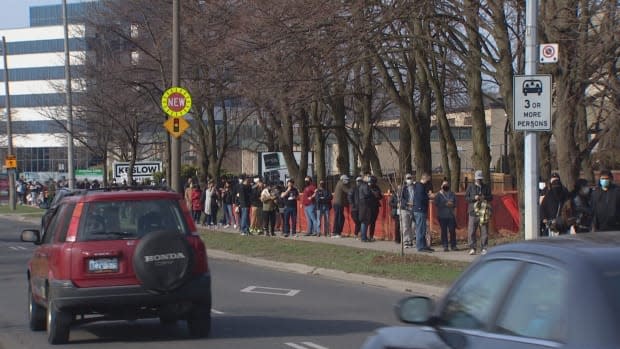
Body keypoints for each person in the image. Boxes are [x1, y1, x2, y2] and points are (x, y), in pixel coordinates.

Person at [465, 170, 493, 255]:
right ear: (475, 178)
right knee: (471, 231)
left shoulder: (486, 187)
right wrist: (474, 197)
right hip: (473, 212)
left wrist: (485, 197)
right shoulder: (470, 186)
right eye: (477, 179)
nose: (479, 180)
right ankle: (472, 248)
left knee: (484, 231)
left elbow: (491, 197)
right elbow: (466, 197)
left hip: (483, 212)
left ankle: (484, 248)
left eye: (480, 179)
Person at [413, 173, 434, 252]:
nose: (429, 181)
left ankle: (424, 245)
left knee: (423, 228)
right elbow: (421, 198)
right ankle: (420, 246)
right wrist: (429, 196)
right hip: (420, 210)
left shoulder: (421, 186)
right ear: (426, 178)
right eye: (428, 178)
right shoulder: (420, 186)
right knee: (420, 229)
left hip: (422, 210)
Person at [435, 180, 457, 251]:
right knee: (444, 231)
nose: (445, 186)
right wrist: (445, 204)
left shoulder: (452, 194)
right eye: (444, 185)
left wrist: (452, 204)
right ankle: (445, 246)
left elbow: (455, 203)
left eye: (446, 185)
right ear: (441, 186)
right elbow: (436, 203)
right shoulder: (439, 195)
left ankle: (453, 245)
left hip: (451, 215)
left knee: (452, 230)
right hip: (442, 216)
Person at [399, 174, 416, 248]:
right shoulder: (403, 188)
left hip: (414, 208)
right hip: (405, 209)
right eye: (408, 178)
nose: (409, 179)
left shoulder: (415, 188)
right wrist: (407, 203)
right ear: (405, 179)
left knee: (413, 226)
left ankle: (411, 240)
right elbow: (401, 199)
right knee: (405, 226)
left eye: (410, 178)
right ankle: (405, 241)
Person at [365, 175, 383, 241]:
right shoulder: (366, 187)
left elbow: (380, 197)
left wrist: (378, 195)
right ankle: (364, 235)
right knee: (367, 221)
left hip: (375, 206)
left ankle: (371, 235)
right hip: (368, 207)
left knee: (373, 222)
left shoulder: (376, 187)